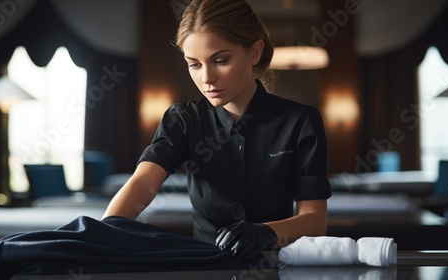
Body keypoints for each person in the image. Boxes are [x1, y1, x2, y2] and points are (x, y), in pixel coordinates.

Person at [104, 0, 332, 259]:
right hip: (203, 267)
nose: (207, 78)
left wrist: (264, 232)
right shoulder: (184, 120)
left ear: (254, 52)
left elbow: (315, 221)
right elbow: (143, 182)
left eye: (220, 60)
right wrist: (100, 236)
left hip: (275, 266)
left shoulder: (301, 122)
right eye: (194, 64)